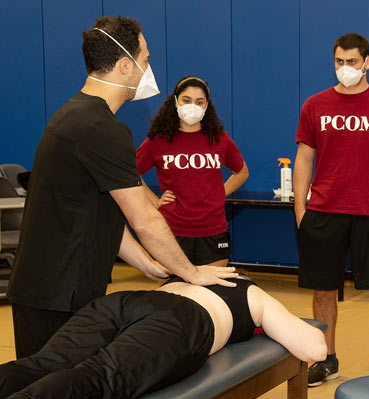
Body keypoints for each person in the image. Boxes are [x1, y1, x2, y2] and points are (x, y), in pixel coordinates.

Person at [8, 16, 236, 360]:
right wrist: (190, 272)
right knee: (51, 398)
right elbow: (144, 218)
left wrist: (148, 265)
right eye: (145, 60)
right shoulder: (102, 127)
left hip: (52, 287)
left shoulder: (77, 115)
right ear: (125, 66)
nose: (149, 69)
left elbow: (101, 215)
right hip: (57, 294)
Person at [0, 276, 327, 399]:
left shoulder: (189, 276)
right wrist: (269, 320)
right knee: (102, 378)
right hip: (182, 320)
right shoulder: (251, 292)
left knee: (46, 362)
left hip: (126, 300)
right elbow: (314, 350)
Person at [293, 33, 369, 386]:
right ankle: (327, 358)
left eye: (351, 62)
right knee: (323, 290)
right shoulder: (314, 105)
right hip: (324, 212)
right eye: (339, 62)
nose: (345, 68)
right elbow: (304, 157)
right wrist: (301, 208)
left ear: (367, 63)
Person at [137, 76, 249, 267]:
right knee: (171, 292)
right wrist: (154, 202)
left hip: (213, 228)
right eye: (186, 100)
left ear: (206, 106)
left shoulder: (219, 138)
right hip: (172, 229)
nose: (192, 106)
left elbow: (242, 172)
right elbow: (130, 172)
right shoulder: (159, 139)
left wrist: (219, 193)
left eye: (199, 102)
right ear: (175, 102)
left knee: (213, 292)